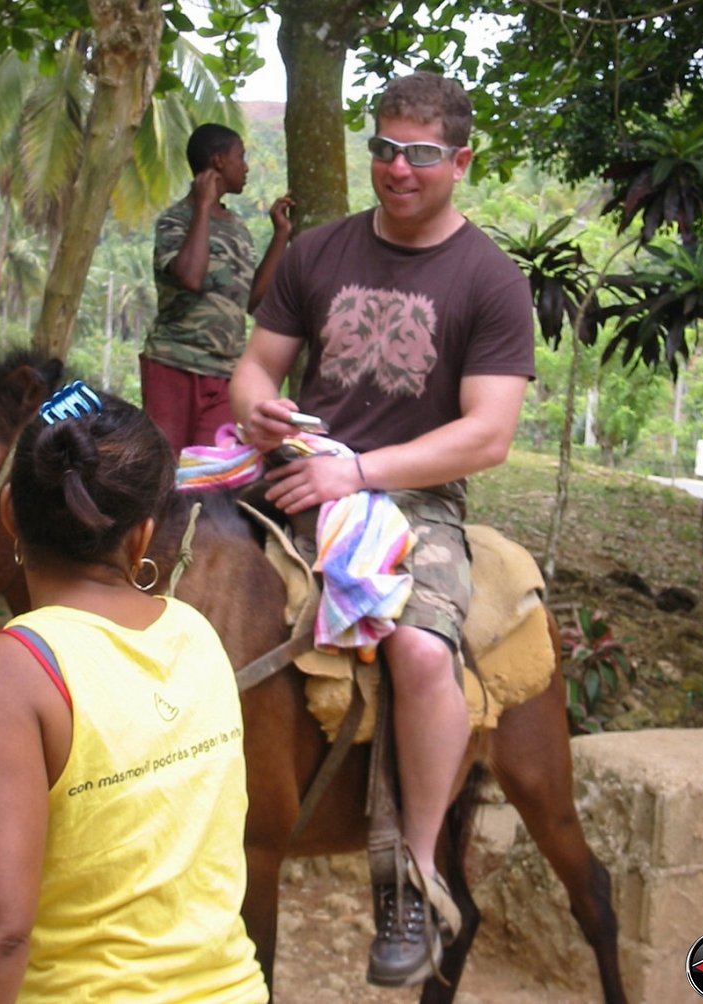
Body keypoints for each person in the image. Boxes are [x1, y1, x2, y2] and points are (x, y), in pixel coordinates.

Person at [229, 71, 535, 988]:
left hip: (414, 499)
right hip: (296, 473)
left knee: (421, 652)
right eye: (385, 149)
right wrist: (258, 413)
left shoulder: (488, 279)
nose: (397, 169)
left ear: (460, 161)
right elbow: (255, 369)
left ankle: (413, 872)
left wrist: (357, 471)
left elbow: (486, 434)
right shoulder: (318, 252)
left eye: (421, 154)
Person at [0, 381, 268, 1004]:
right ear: (143, 535)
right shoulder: (193, 633)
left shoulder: (7, 670)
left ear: (8, 511)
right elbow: (108, 736)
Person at [141, 122, 293, 454]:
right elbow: (190, 277)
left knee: (212, 473)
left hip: (225, 373)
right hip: (174, 364)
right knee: (164, 469)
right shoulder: (175, 220)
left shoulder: (238, 229)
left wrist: (280, 235)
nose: (246, 165)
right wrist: (202, 207)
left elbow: (252, 302)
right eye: (241, 156)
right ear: (219, 161)